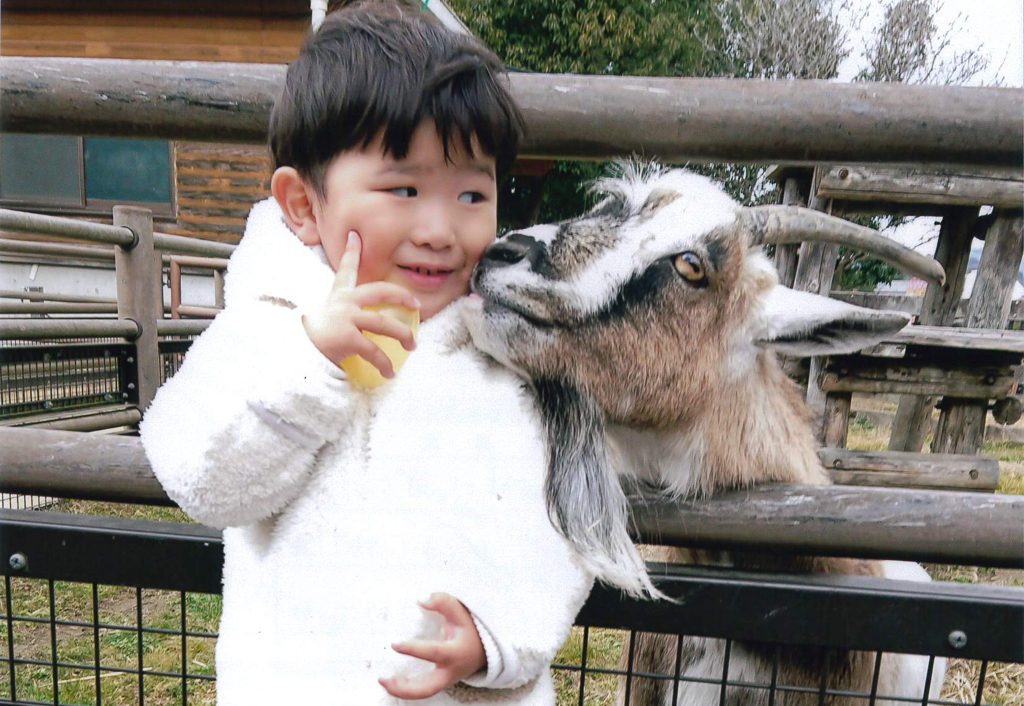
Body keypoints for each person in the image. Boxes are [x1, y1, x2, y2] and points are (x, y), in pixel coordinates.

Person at [139, 2, 594, 704]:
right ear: (301, 204)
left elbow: (563, 522)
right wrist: (311, 365)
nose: (442, 230)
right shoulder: (267, 323)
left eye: (473, 192)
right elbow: (203, 479)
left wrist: (495, 638)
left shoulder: (511, 358)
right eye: (403, 189)